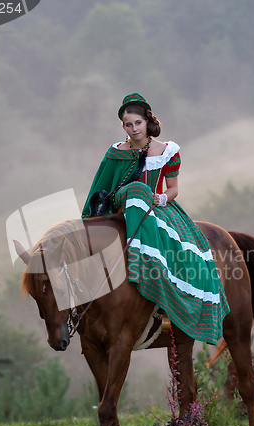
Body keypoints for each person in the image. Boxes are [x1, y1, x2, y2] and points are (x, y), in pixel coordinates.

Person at [82, 93, 229, 345]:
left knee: (187, 249)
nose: (133, 129)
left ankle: (165, 284)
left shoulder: (167, 152)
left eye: (137, 123)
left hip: (157, 207)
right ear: (123, 127)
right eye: (128, 125)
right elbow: (102, 187)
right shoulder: (116, 153)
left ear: (147, 122)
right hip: (122, 207)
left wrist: (159, 199)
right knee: (136, 191)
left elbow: (173, 189)